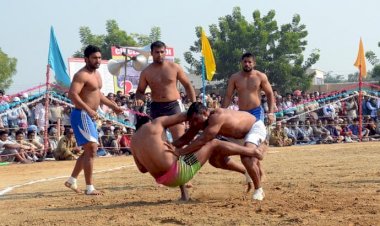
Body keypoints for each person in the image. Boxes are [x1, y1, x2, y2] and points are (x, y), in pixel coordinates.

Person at [131, 113, 265, 201]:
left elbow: (142, 169)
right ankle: (253, 152)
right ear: (149, 121)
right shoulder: (155, 124)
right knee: (214, 143)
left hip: (165, 181)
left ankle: (184, 195)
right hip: (181, 171)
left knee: (176, 154)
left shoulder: (133, 142)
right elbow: (184, 117)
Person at [136, 41, 196, 194]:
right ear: (152, 53)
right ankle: (163, 175)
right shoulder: (147, 72)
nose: (160, 54)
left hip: (174, 106)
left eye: (162, 52)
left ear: (165, 52)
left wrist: (194, 104)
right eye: (157, 52)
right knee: (160, 145)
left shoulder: (174, 67)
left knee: (181, 141)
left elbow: (188, 85)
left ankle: (187, 175)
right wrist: (139, 98)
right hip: (157, 108)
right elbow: (140, 91)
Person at [173, 102, 267, 200]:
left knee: (246, 158)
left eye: (196, 119)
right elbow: (186, 138)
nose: (194, 123)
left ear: (205, 113)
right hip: (235, 136)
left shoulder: (216, 117)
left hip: (253, 128)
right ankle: (246, 171)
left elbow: (202, 140)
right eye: (192, 121)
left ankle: (258, 189)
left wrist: (180, 152)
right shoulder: (200, 121)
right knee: (214, 160)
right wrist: (169, 146)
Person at [66, 45, 123, 195]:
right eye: (94, 58)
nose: (98, 60)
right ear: (86, 59)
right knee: (92, 150)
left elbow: (98, 95)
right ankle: (90, 187)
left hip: (89, 115)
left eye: (99, 57)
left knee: (89, 151)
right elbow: (72, 94)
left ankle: (72, 180)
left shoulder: (97, 74)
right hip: (82, 114)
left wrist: (114, 106)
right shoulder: (81, 75)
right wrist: (88, 109)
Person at [222, 52, 275, 200]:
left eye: (250, 62)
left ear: (254, 63)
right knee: (243, 147)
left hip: (256, 115)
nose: (247, 64)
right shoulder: (235, 77)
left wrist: (271, 113)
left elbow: (270, 94)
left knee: (248, 150)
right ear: (241, 63)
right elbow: (228, 96)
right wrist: (223, 112)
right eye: (245, 62)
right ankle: (255, 170)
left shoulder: (260, 76)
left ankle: (258, 185)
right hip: (241, 116)